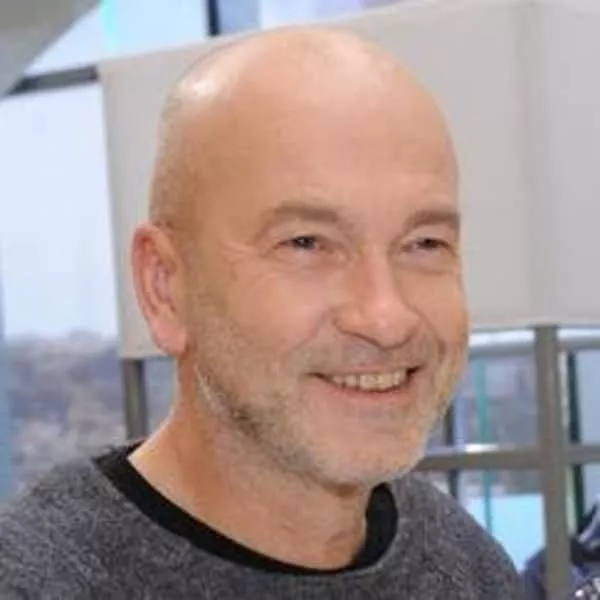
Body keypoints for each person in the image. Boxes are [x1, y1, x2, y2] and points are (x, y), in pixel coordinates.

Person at [0, 26, 523, 598]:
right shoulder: (40, 582)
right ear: (165, 286)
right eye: (305, 243)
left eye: (424, 244)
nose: (386, 317)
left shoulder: (463, 565)